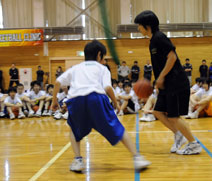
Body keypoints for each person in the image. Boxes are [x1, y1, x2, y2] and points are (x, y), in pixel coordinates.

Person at [51, 40, 150, 172]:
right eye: (104, 57)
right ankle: (137, 158)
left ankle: (77, 160)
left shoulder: (75, 68)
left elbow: (57, 82)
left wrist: (54, 102)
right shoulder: (102, 69)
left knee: (74, 130)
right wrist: (115, 103)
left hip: (76, 101)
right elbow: (108, 87)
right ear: (99, 55)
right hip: (96, 99)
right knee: (117, 127)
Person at [135, 10, 202, 155]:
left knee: (174, 116)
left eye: (139, 26)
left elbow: (172, 57)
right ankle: (178, 134)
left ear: (147, 26)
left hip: (175, 82)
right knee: (158, 111)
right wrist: (158, 82)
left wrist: (161, 78)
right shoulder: (152, 41)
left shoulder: (159, 38)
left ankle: (193, 143)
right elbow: (160, 64)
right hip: (166, 84)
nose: (138, 29)